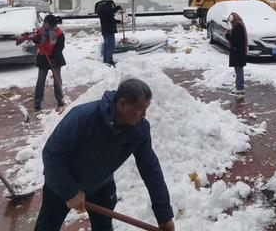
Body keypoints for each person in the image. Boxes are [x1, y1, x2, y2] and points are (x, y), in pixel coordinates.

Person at [34, 78, 175, 231]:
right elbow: (52, 154)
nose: (144, 114)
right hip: (61, 182)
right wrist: (69, 191)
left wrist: (164, 215)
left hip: (101, 184)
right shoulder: (83, 117)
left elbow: (150, 168)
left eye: (146, 109)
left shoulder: (139, 130)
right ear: (122, 104)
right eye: (140, 109)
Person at [32, 14, 65, 111]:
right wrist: (36, 40)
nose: (43, 24)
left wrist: (53, 59)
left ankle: (60, 99)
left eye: (46, 23)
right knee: (41, 80)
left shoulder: (58, 33)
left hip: (55, 58)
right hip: (43, 58)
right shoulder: (41, 31)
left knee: (57, 80)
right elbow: (36, 39)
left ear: (51, 24)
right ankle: (37, 102)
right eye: (44, 22)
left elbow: (59, 47)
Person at [225, 12, 248, 95]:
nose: (230, 23)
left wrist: (227, 35)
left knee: (239, 70)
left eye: (230, 21)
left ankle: (240, 88)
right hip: (239, 51)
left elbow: (236, 40)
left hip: (238, 52)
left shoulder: (238, 26)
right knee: (238, 69)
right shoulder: (238, 25)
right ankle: (238, 85)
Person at [97, 0, 122, 66]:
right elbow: (110, 13)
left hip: (106, 31)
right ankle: (109, 61)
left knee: (107, 46)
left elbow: (110, 19)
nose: (113, 7)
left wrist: (119, 22)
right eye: (113, 6)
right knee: (110, 46)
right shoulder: (105, 8)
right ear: (111, 4)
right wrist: (117, 8)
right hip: (109, 31)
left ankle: (106, 60)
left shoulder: (104, 10)